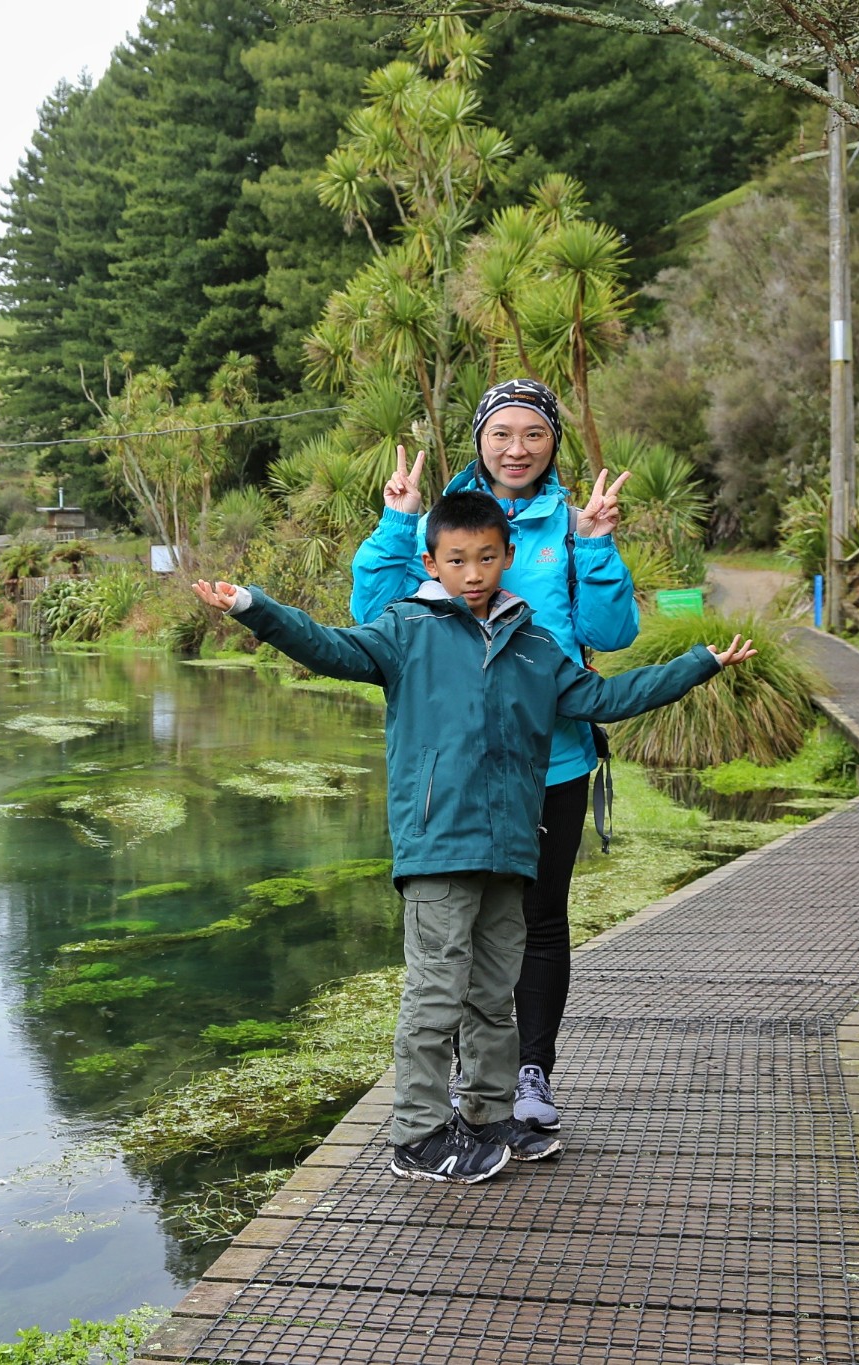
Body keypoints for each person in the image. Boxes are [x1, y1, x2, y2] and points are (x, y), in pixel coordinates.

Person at [193, 492, 755, 1183]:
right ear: (431, 561)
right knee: (436, 994)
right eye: (457, 559)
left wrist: (698, 663)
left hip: (511, 845)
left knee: (493, 995)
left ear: (508, 557)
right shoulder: (405, 630)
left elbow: (605, 700)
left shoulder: (537, 645)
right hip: (438, 845)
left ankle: (489, 1118)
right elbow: (328, 647)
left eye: (487, 556)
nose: (473, 572)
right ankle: (418, 1134)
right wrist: (255, 606)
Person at [350, 378, 632, 1133]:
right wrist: (395, 522)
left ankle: (528, 1073)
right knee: (455, 922)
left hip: (553, 761)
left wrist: (598, 544)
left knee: (539, 921)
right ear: (479, 438)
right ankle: (460, 1078)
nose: (517, 448)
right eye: (501, 432)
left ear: (553, 443)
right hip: (457, 767)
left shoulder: (573, 523)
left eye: (533, 433)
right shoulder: (439, 522)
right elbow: (372, 617)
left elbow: (611, 633)